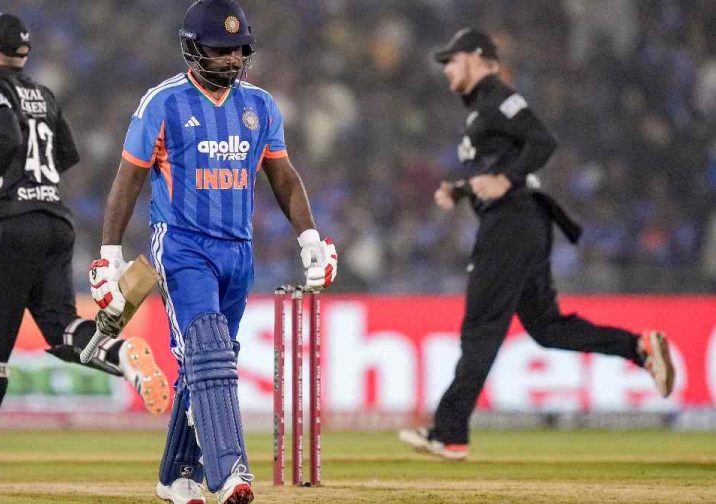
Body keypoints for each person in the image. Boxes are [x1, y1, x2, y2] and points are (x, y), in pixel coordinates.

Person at [87, 1, 338, 502]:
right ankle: (229, 474)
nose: (230, 59)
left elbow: (283, 176)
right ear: (193, 48)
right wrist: (108, 258)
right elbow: (129, 178)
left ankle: (175, 476)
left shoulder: (261, 105)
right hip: (181, 244)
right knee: (209, 350)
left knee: (205, 364)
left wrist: (311, 238)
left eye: (237, 49)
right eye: (219, 51)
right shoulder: (163, 102)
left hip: (238, 252)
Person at [399, 28, 675, 461]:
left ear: (476, 58)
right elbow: (495, 171)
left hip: (511, 223)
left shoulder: (497, 97)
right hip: (522, 222)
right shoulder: (480, 113)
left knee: (482, 326)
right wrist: (461, 189)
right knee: (547, 329)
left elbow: (543, 141)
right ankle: (637, 348)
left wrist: (504, 180)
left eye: (452, 61)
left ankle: (449, 431)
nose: (447, 70)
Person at [0, 12, 169, 478]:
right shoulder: (45, 93)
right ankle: (121, 355)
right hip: (55, 223)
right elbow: (65, 155)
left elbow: (3, 138)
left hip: (11, 226)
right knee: (63, 332)